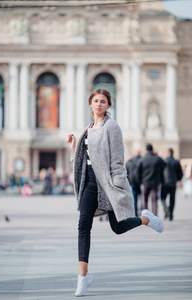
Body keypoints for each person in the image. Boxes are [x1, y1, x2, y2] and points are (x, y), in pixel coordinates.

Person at [67, 89, 164, 297]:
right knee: (83, 225)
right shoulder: (87, 128)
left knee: (118, 228)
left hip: (108, 183)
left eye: (103, 101)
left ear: (109, 105)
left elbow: (118, 159)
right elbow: (82, 160)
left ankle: (146, 219)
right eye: (96, 101)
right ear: (90, 104)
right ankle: (83, 278)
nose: (99, 104)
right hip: (89, 182)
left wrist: (119, 185)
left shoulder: (112, 127)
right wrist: (74, 148)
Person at [138, 144, 166, 216]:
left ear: (146, 150)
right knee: (154, 200)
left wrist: (140, 180)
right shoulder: (157, 159)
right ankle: (155, 215)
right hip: (155, 182)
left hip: (145, 182)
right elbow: (164, 165)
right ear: (152, 150)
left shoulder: (143, 159)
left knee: (145, 199)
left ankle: (145, 215)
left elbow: (138, 171)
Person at [161, 148, 183, 220]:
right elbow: (180, 173)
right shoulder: (176, 161)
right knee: (172, 199)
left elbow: (160, 172)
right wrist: (177, 179)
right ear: (173, 153)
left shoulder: (163, 161)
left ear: (167, 153)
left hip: (164, 183)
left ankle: (165, 208)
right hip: (173, 183)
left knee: (162, 197)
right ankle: (170, 215)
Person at [125, 150, 142, 217]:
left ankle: (135, 214)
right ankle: (141, 210)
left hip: (132, 182)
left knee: (134, 199)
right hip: (141, 182)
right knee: (143, 198)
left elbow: (126, 172)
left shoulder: (129, 162)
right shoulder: (142, 160)